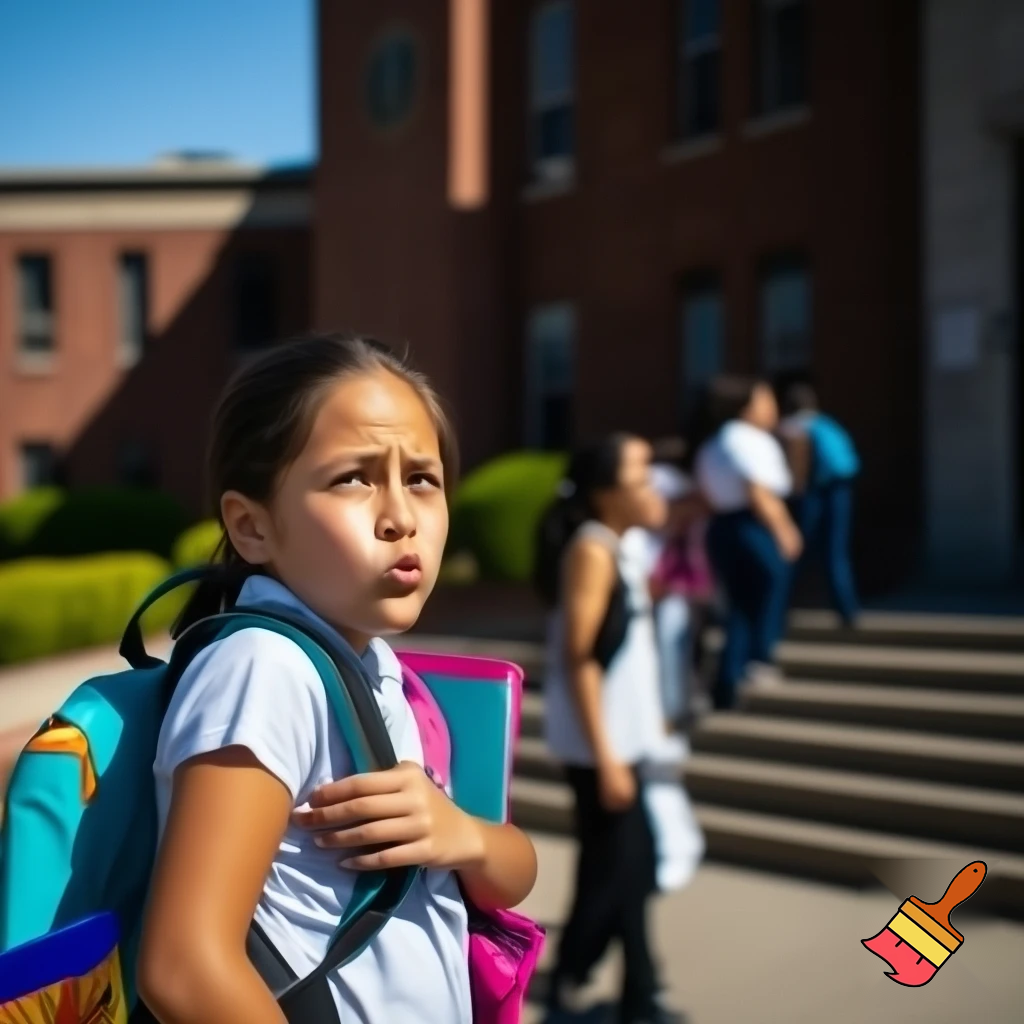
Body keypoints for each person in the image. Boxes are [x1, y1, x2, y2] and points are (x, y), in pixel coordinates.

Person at [137, 334, 538, 1024]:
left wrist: (459, 834)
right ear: (251, 526)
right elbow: (183, 968)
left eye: (421, 478)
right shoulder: (264, 669)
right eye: (353, 478)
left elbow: (514, 872)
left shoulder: (373, 665)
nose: (400, 517)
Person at [534, 434, 685, 1024]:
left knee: (618, 869)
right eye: (641, 476)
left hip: (620, 743)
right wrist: (609, 755)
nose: (654, 487)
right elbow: (580, 657)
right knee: (622, 871)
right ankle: (625, 993)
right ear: (605, 494)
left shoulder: (622, 546)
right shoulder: (592, 551)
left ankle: (600, 981)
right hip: (601, 749)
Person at [694, 377, 802, 711]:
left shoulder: (714, 442)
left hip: (724, 526)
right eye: (765, 400)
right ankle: (758, 658)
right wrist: (784, 529)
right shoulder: (747, 439)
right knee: (766, 590)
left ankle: (728, 679)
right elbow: (759, 491)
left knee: (738, 605)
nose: (772, 407)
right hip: (751, 525)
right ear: (746, 406)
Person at [642, 439, 714, 730]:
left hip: (667, 576)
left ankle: (672, 707)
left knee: (670, 646)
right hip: (663, 577)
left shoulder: (662, 481)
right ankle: (671, 710)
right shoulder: (668, 482)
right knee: (670, 647)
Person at [779, 381, 861, 626]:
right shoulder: (827, 424)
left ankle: (781, 605)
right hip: (841, 490)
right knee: (836, 552)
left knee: (795, 548)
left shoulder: (793, 428)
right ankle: (847, 610)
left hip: (813, 492)